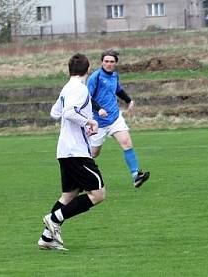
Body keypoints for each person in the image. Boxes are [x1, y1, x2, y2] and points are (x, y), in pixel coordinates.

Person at [39, 53, 105, 251]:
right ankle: (53, 218)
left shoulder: (67, 88)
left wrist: (83, 121)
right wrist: (90, 121)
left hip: (65, 150)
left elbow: (55, 113)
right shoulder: (80, 89)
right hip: (76, 151)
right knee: (99, 193)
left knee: (68, 196)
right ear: (87, 70)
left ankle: (46, 239)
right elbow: (68, 113)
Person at [86, 49, 150, 188]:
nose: (109, 64)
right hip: (98, 122)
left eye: (112, 62)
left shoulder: (114, 75)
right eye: (106, 61)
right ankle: (78, 174)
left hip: (115, 118)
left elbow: (118, 90)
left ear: (116, 63)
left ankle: (136, 175)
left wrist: (129, 100)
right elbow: (87, 98)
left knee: (126, 142)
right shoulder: (95, 77)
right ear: (102, 62)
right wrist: (99, 109)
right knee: (93, 153)